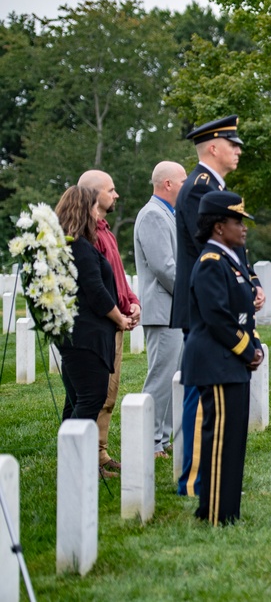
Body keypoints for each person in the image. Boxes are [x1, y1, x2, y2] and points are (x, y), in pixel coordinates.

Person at [172, 115, 265, 497]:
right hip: (207, 303)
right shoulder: (199, 188)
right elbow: (211, 246)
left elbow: (234, 242)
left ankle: (206, 473)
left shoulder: (214, 187)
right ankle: (194, 480)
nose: (239, 150)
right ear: (213, 147)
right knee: (202, 390)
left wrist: (252, 281)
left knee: (211, 390)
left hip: (221, 297)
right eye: (233, 143)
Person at [181, 190, 264, 525]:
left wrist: (253, 346)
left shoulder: (230, 261)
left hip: (230, 363)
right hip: (216, 362)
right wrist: (247, 351)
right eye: (236, 221)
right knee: (219, 442)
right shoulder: (211, 264)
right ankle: (215, 513)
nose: (243, 228)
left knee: (232, 442)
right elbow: (217, 317)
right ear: (218, 227)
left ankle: (225, 511)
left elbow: (242, 313)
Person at [54, 186, 133, 478]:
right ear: (84, 209)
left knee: (75, 400)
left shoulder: (66, 244)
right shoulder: (80, 246)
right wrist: (120, 318)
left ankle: (73, 464)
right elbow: (96, 292)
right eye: (93, 208)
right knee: (90, 398)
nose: (96, 212)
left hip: (76, 336)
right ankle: (78, 467)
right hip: (87, 336)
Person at [78, 169, 141, 475]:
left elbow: (118, 278)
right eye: (111, 190)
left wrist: (133, 302)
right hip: (101, 324)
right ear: (94, 195)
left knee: (110, 393)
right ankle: (91, 455)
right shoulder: (86, 235)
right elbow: (97, 286)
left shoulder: (107, 232)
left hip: (116, 320)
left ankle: (101, 453)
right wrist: (117, 314)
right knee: (97, 394)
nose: (116, 195)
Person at [134, 161, 187, 458]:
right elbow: (165, 268)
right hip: (164, 309)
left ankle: (162, 439)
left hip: (173, 309)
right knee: (160, 376)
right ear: (167, 184)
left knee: (173, 376)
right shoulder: (153, 215)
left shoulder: (169, 214)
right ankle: (150, 440)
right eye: (182, 180)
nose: (186, 185)